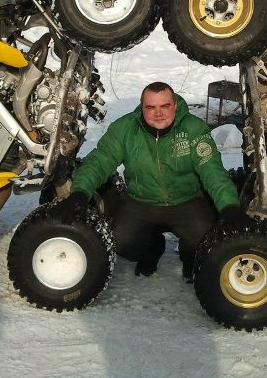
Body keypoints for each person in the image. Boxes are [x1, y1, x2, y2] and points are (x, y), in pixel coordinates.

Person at [57, 81, 249, 281]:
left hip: (186, 201)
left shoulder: (193, 129)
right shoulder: (125, 128)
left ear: (174, 105)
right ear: (142, 107)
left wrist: (229, 206)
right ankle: (152, 249)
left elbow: (213, 172)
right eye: (151, 107)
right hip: (142, 202)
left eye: (165, 106)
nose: (158, 113)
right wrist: (80, 192)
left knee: (206, 237)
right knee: (121, 241)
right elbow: (99, 162)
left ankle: (191, 257)